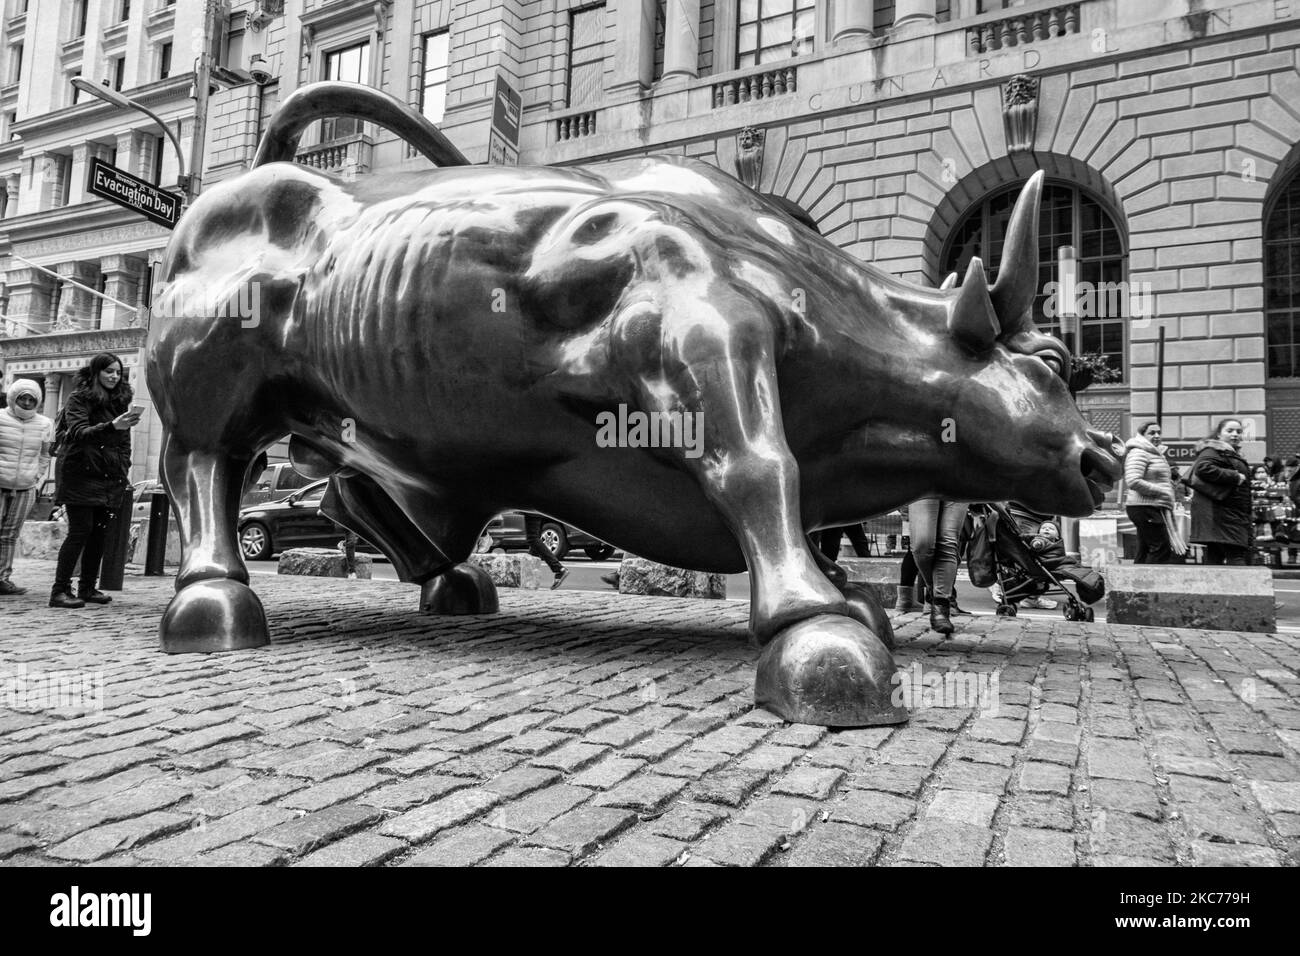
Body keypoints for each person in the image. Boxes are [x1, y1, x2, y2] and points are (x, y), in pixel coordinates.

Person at [49, 353, 141, 609]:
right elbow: (79, 433)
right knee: (80, 531)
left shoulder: (120, 401)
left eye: (118, 372)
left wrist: (123, 466)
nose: (114, 376)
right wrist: (112, 426)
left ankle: (88, 587)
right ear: (96, 372)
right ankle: (59, 590)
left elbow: (124, 443)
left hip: (109, 475)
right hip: (80, 473)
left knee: (99, 534)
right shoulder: (79, 398)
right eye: (108, 371)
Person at [0, 379, 55, 596]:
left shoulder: (45, 424)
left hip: (25, 487)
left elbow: (45, 454)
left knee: (9, 534)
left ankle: (2, 578)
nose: (26, 403)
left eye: (31, 399)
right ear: (13, 398)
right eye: (22, 398)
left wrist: (36, 476)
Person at [1188, 418, 1252, 566]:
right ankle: (1243, 582)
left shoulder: (1227, 453)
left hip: (1223, 513)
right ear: (1218, 434)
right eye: (1230, 431)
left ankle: (1211, 582)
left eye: (1238, 431)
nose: (1235, 434)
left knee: (1215, 556)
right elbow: (1203, 468)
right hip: (1222, 514)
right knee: (1236, 555)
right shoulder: (1213, 450)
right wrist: (1234, 476)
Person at [909, 496, 968, 635]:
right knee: (922, 545)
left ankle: (941, 604)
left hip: (959, 485)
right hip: (921, 487)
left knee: (948, 541)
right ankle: (934, 589)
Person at [1123, 421, 1179, 564]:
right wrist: (1163, 491)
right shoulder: (1139, 452)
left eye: (1159, 432)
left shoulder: (1154, 453)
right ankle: (1151, 578)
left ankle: (1136, 577)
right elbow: (1133, 480)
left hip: (1150, 506)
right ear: (1142, 435)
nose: (1157, 435)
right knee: (1161, 547)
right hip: (1145, 507)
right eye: (1152, 433)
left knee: (1145, 548)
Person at [524, 513, 568, 589]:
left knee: (532, 538)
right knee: (535, 539)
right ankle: (530, 579)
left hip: (532, 510)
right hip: (539, 510)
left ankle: (558, 568)